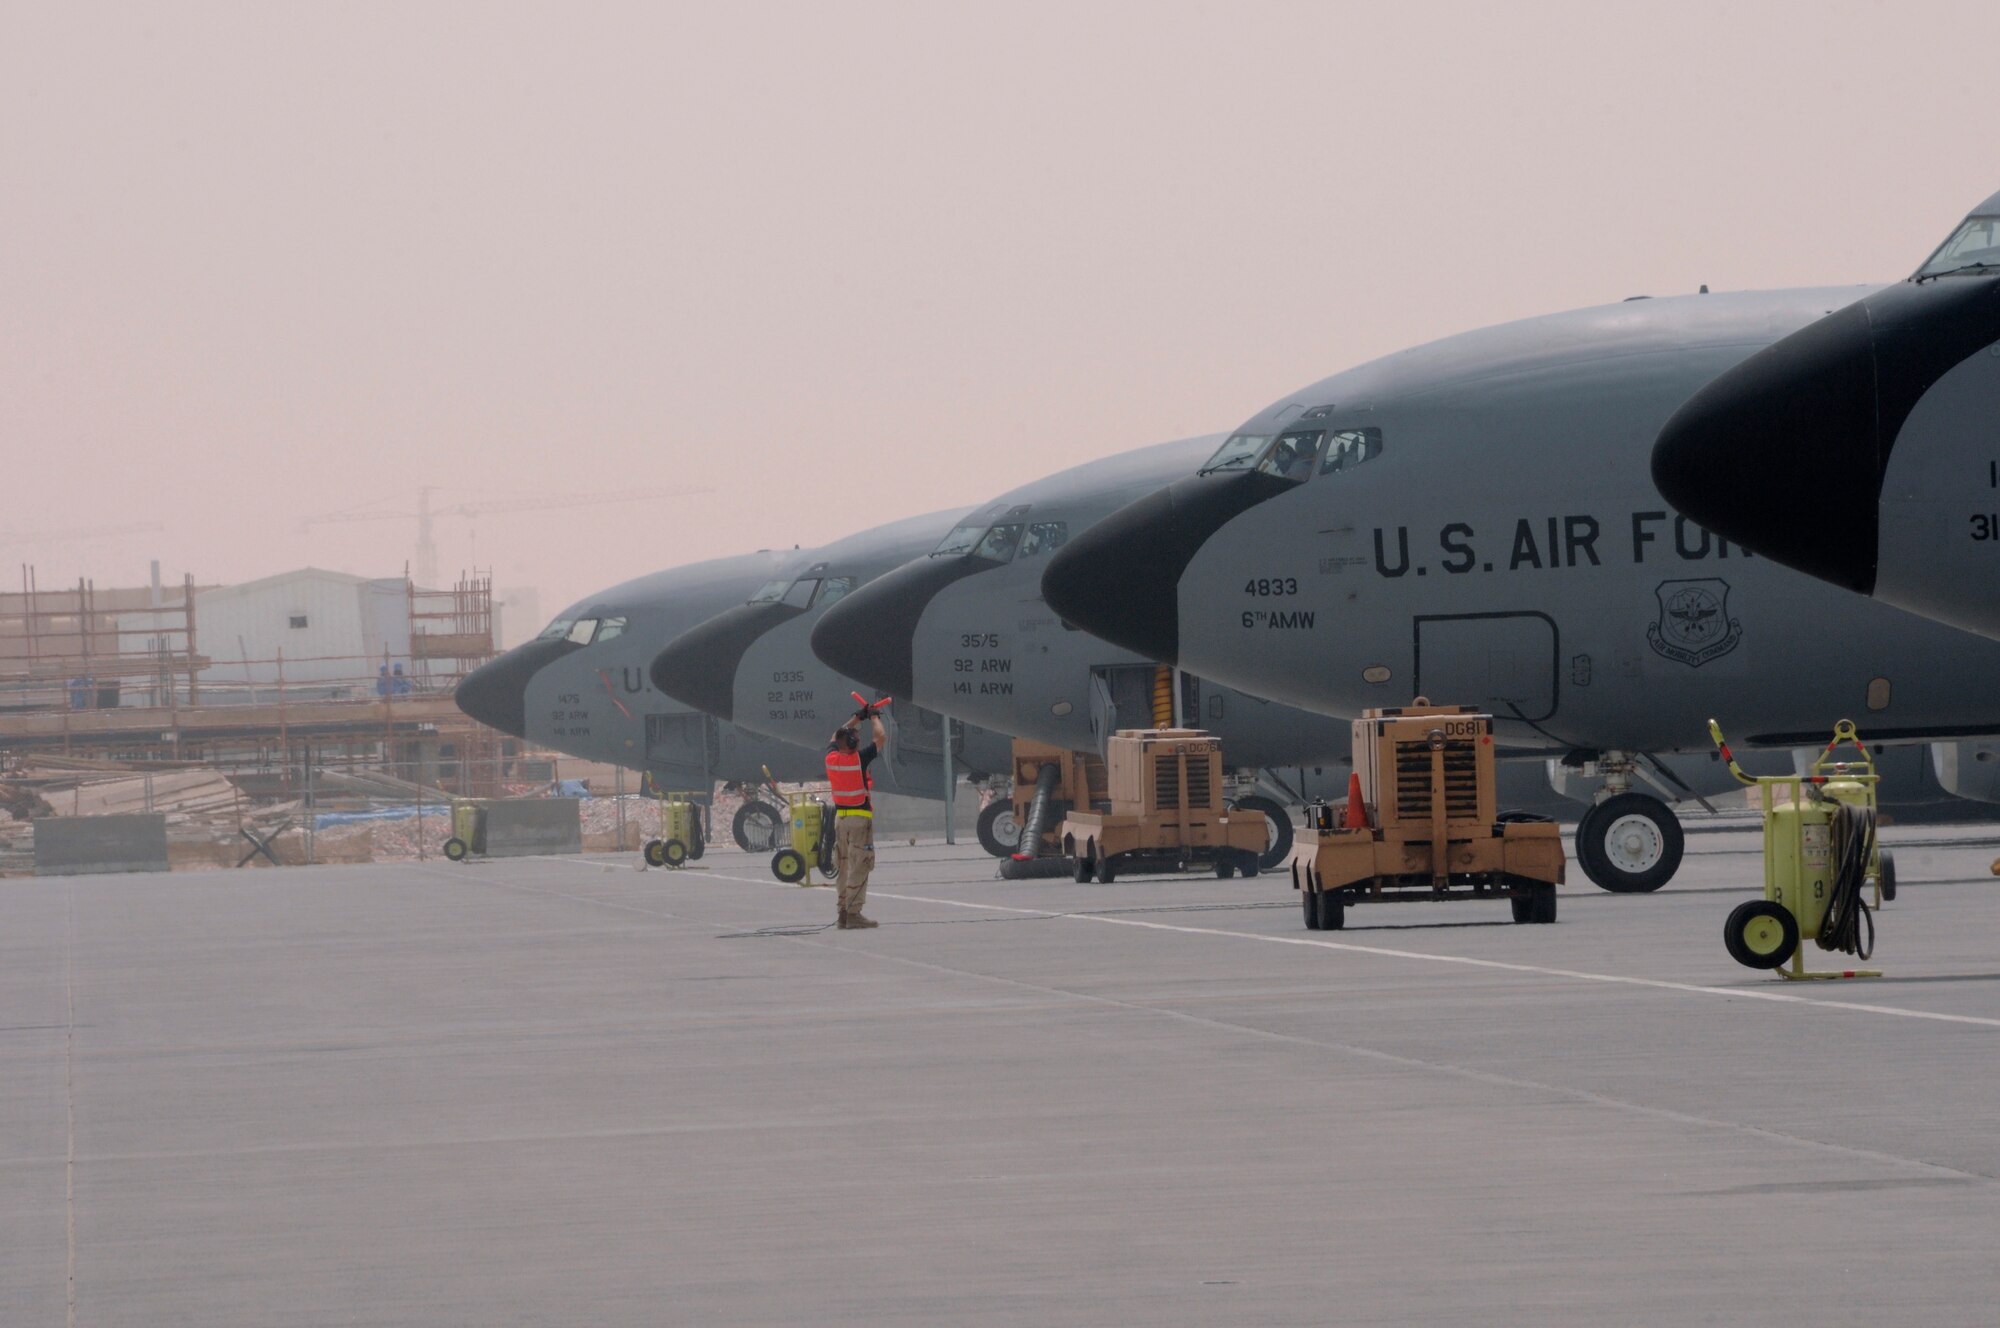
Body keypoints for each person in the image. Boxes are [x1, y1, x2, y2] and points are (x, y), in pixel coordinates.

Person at [825, 706, 888, 929]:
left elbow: (836, 735)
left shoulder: (831, 758)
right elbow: (881, 737)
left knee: (842, 866)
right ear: (853, 745)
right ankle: (854, 913)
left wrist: (855, 719)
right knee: (860, 865)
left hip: (840, 820)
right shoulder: (858, 760)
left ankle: (842, 912)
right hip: (859, 820)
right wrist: (873, 717)